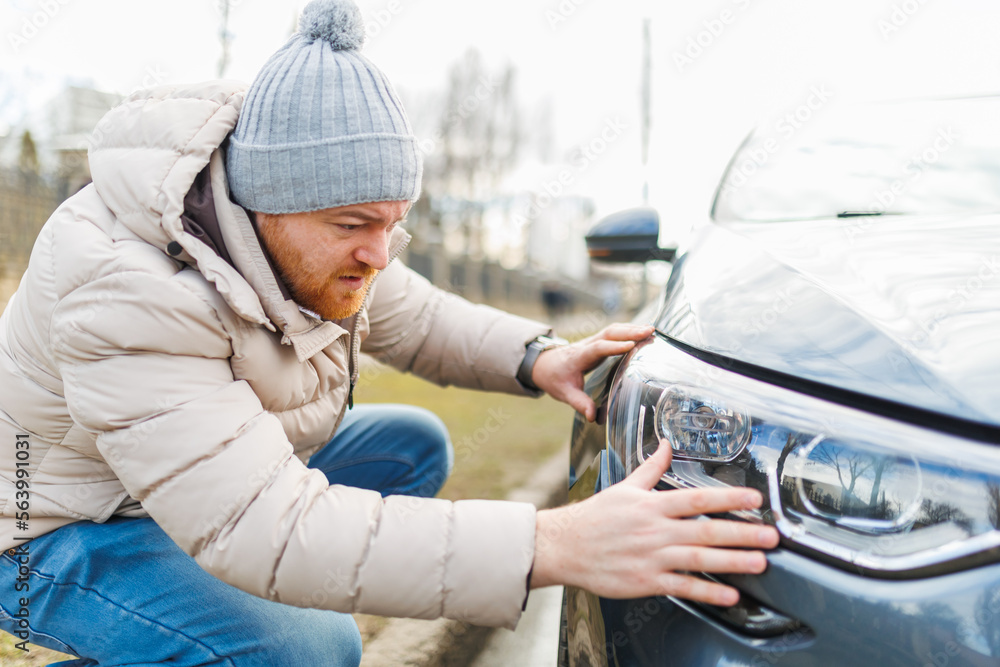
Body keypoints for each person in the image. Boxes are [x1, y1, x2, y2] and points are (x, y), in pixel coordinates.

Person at [0, 1, 779, 664]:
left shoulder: (299, 232)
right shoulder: (122, 286)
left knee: (415, 443)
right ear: (264, 203)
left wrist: (539, 359)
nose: (378, 252)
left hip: (171, 483)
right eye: (353, 226)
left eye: (392, 223)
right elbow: (264, 524)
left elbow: (413, 312)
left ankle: (201, 593)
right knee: (314, 647)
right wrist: (557, 544)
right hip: (57, 526)